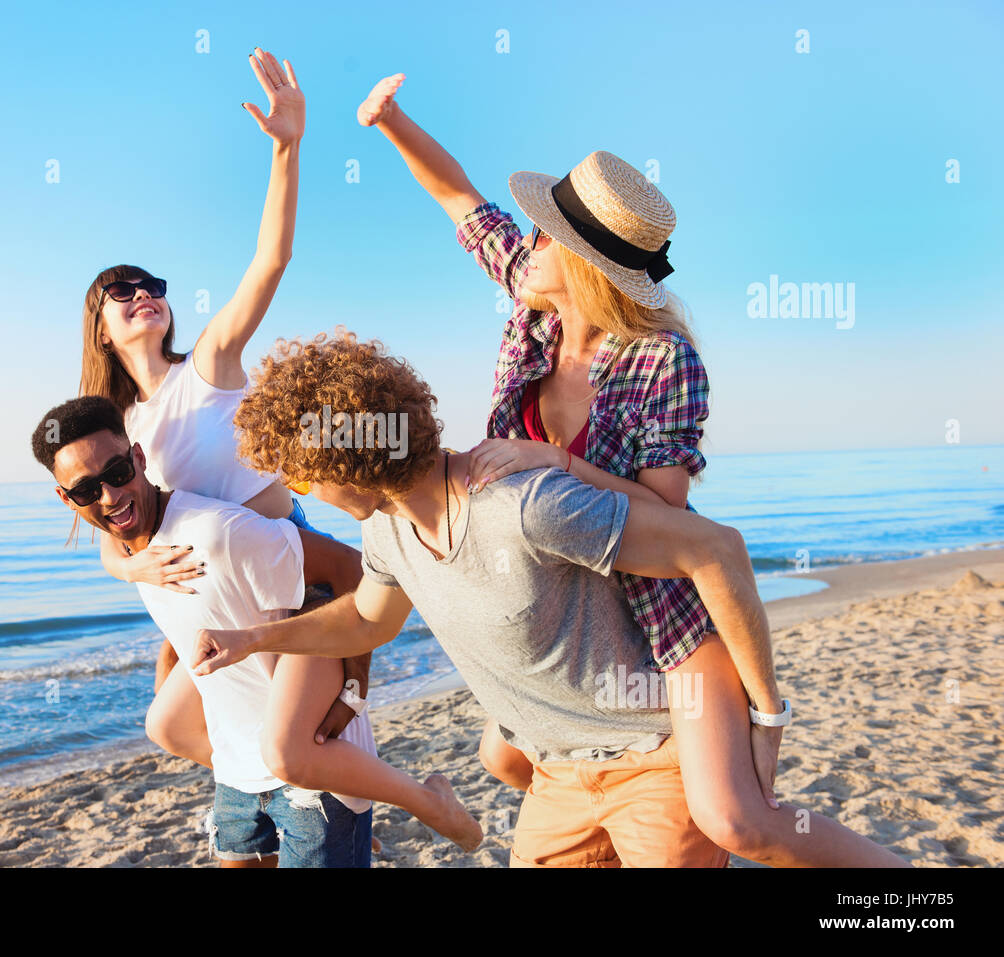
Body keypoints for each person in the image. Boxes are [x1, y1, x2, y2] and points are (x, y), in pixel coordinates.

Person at [352, 74, 911, 867]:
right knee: (503, 757)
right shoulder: (533, 310)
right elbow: (461, 200)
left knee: (737, 819)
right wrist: (391, 121)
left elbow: (672, 522)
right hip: (561, 616)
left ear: (582, 264)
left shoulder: (663, 360)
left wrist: (552, 460)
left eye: (545, 236)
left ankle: (907, 889)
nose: (528, 243)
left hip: (658, 626)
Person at [192, 331, 908, 867]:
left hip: (654, 759)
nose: (302, 490)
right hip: (556, 778)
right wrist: (254, 639)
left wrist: (766, 709)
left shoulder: (522, 504)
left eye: (304, 472)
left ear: (347, 460)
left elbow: (713, 548)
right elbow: (368, 618)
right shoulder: (388, 533)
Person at [31, 396, 482, 866]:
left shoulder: (217, 532)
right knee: (163, 725)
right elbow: (191, 616)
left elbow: (351, 568)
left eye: (119, 474)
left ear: (139, 460)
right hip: (236, 777)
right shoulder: (131, 553)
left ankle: (413, 803)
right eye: (86, 490)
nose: (109, 497)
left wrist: (355, 685)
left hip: (311, 771)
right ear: (67, 499)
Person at [77, 49, 362, 779]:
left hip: (284, 565)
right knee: (169, 723)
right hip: (203, 600)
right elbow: (110, 533)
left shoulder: (208, 364)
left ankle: (337, 785)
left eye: (152, 286)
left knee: (311, 746)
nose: (143, 293)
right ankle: (281, 783)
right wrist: (125, 564)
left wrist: (286, 148)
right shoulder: (116, 432)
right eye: (122, 290)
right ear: (101, 328)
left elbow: (271, 260)